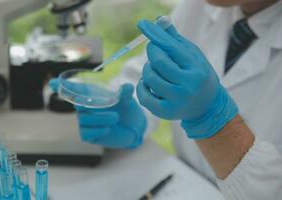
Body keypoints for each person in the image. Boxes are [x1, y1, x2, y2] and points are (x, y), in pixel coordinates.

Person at [50, 0, 282, 199]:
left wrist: (215, 122)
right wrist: (135, 112)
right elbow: (155, 70)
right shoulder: (201, 6)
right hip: (185, 185)